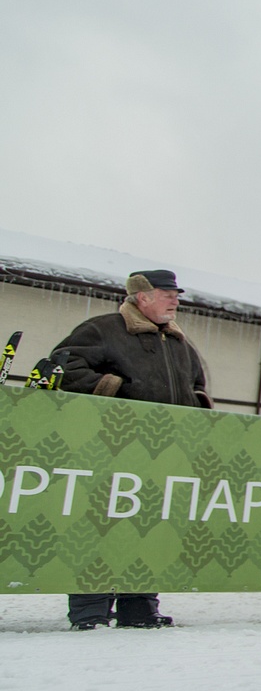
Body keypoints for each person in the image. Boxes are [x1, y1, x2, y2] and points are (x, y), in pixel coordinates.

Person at [52, 269, 211, 630]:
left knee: (150, 525)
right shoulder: (103, 329)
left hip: (164, 453)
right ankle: (90, 609)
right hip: (109, 447)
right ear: (142, 296)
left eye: (176, 294)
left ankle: (139, 607)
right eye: (167, 293)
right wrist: (117, 391)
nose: (175, 299)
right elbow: (63, 365)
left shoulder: (181, 344)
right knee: (99, 524)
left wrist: (197, 412)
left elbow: (198, 386)